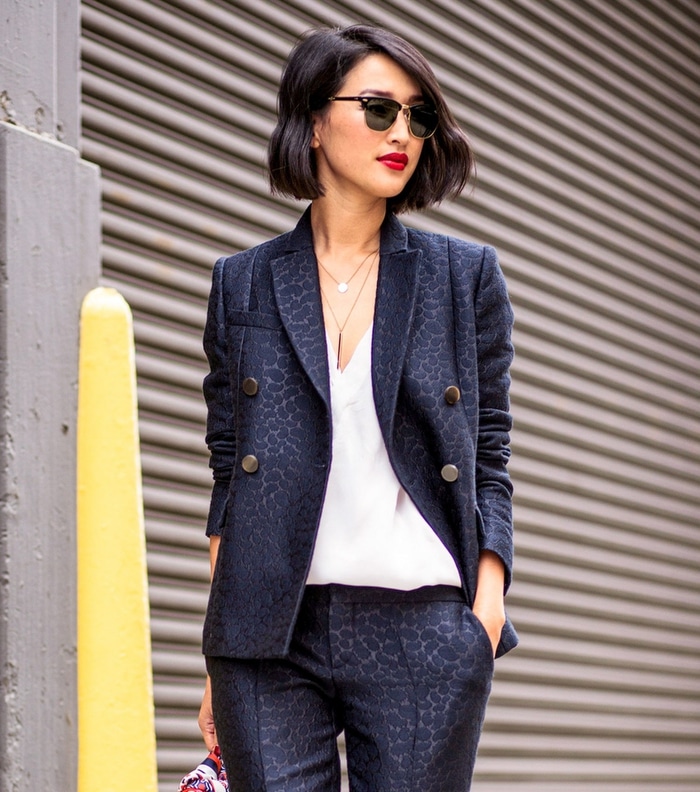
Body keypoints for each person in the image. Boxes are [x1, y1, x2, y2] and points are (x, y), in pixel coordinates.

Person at [197, 24, 517, 792]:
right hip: (268, 638)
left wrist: (485, 609)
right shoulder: (243, 283)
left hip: (423, 628)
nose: (401, 132)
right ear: (313, 121)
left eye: (418, 116)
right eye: (379, 109)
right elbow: (229, 469)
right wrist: (219, 648)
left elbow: (490, 449)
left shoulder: (462, 277)